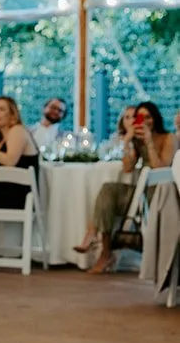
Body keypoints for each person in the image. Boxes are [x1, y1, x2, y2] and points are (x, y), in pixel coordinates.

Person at [75, 101, 177, 273]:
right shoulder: (137, 140)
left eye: (148, 117)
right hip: (140, 191)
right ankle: (104, 250)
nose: (145, 121)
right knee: (108, 190)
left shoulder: (169, 138)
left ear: (155, 118)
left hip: (161, 192)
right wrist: (128, 142)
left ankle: (98, 241)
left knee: (127, 192)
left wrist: (150, 143)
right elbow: (128, 168)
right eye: (140, 117)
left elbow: (161, 169)